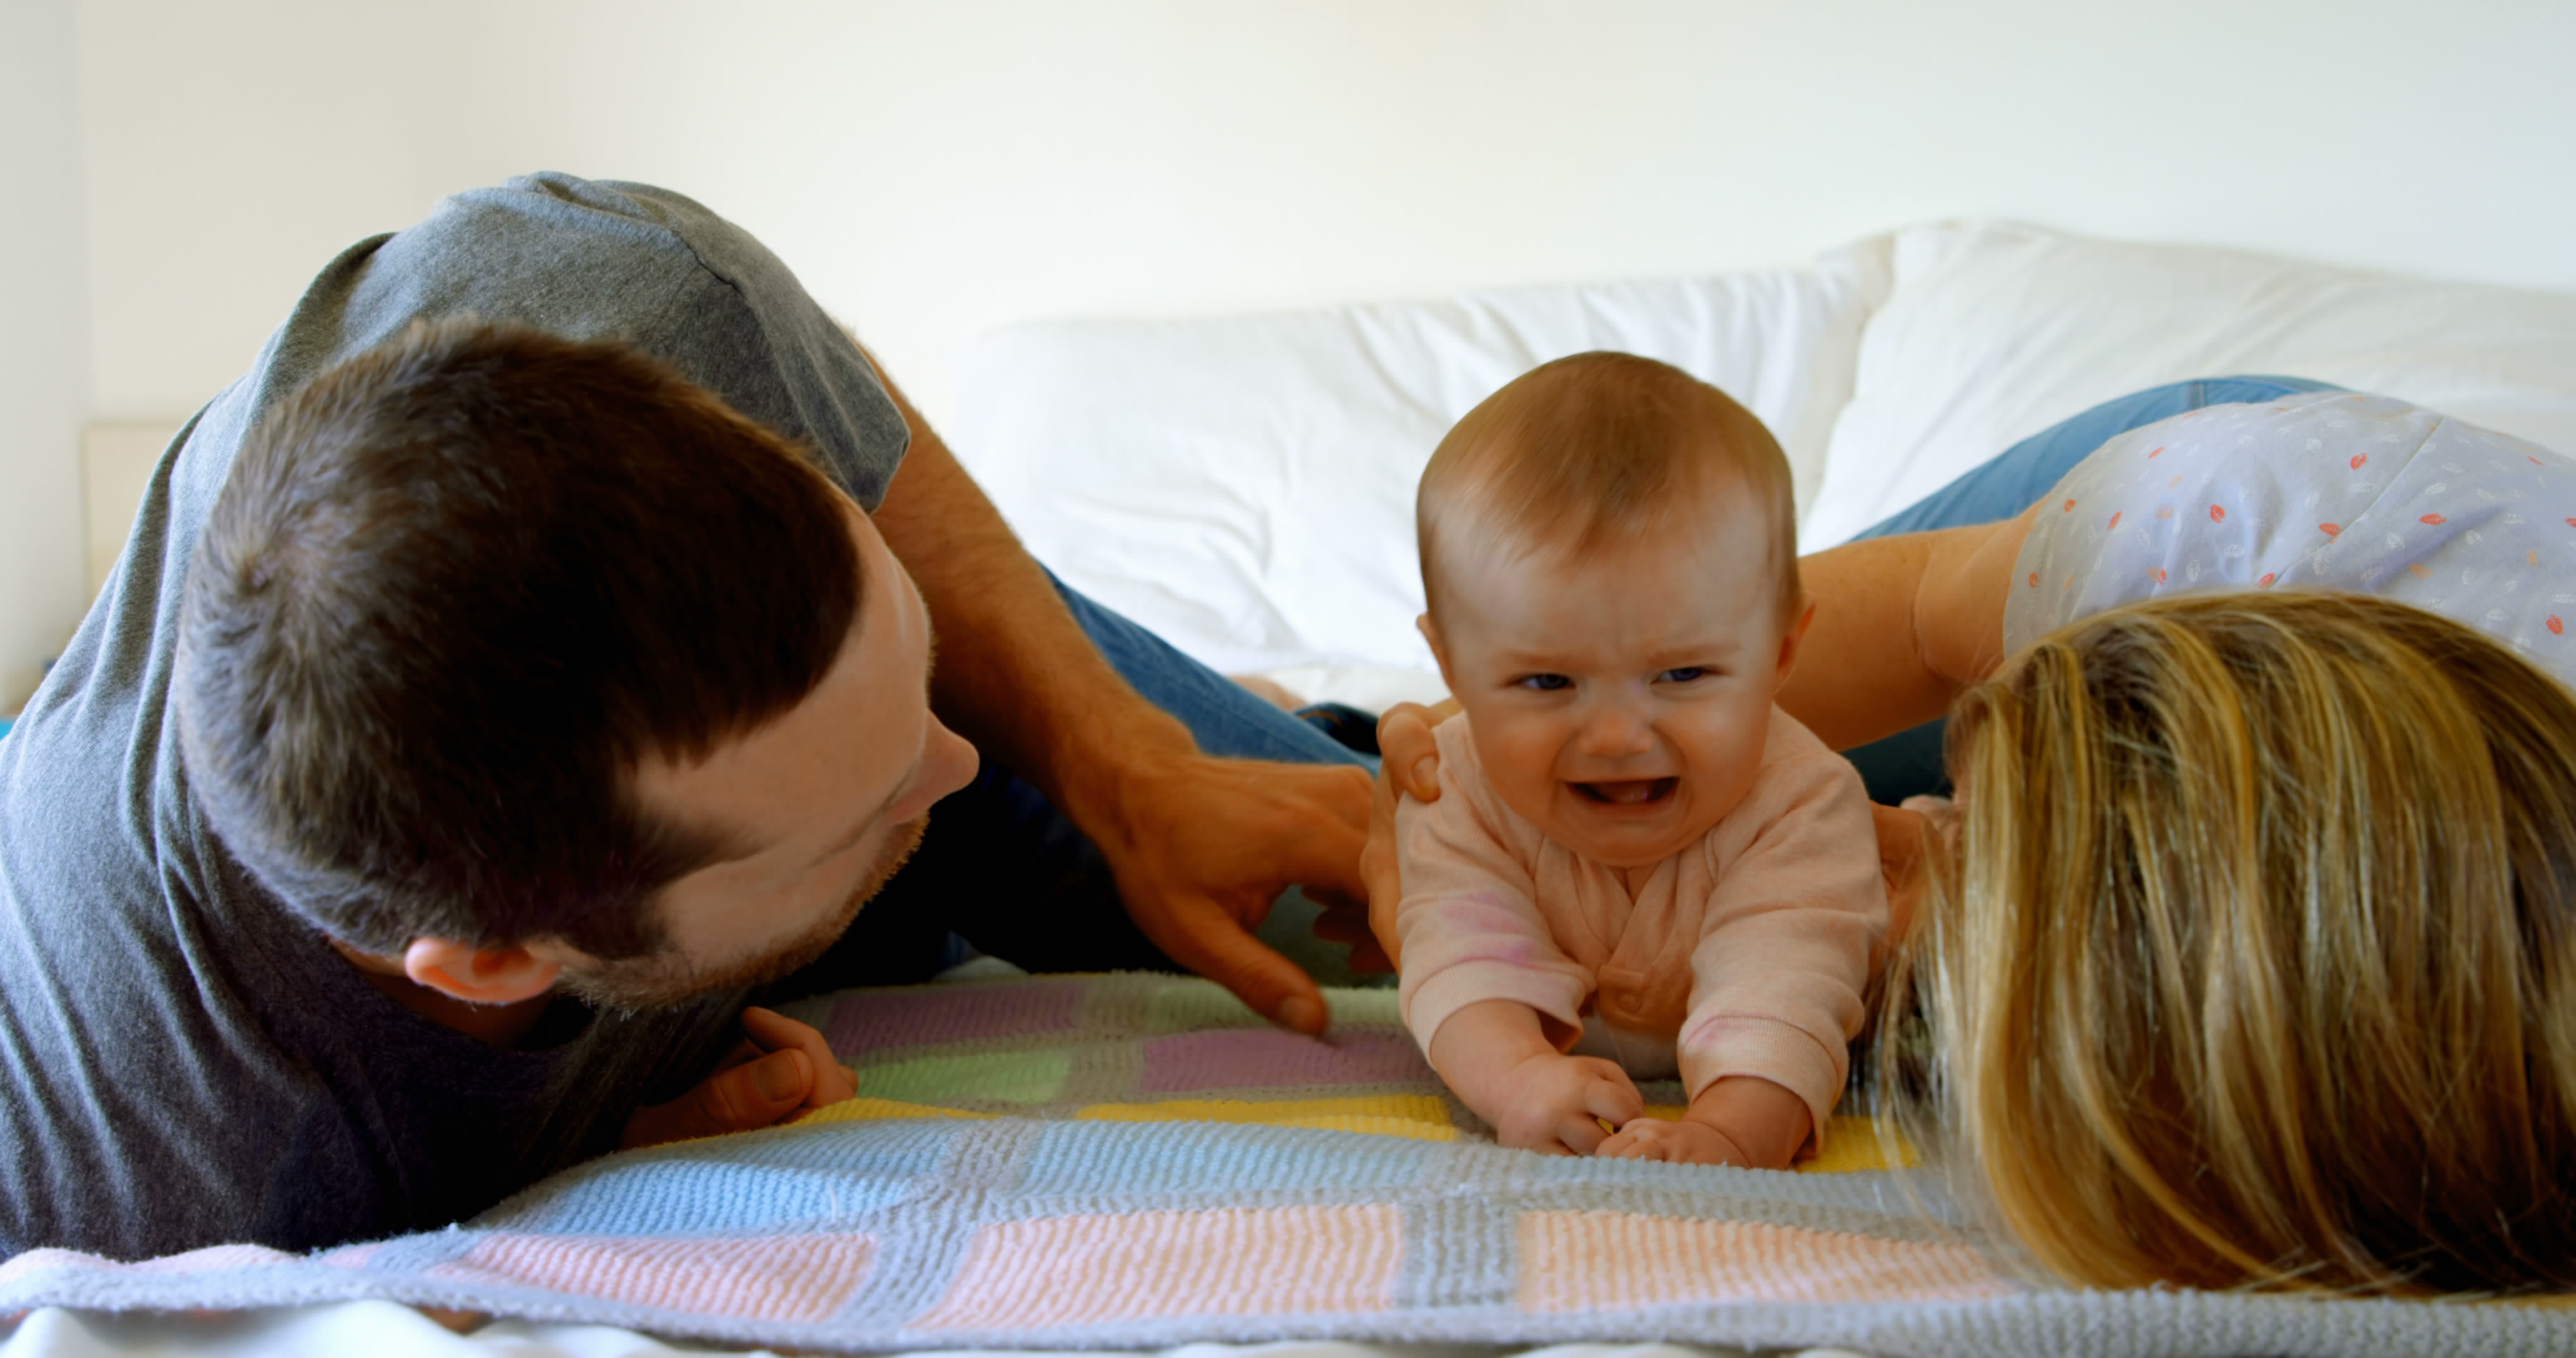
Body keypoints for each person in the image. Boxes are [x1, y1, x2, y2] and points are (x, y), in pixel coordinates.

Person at [0, 174, 1372, 1260]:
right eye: (863, 801)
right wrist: (576, 1163)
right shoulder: (171, 1193)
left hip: (766, 787)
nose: (956, 766)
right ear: (496, 964)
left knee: (1427, 874)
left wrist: (1121, 761)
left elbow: (820, 411)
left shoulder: (627, 293)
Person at [1367, 377, 2576, 1295]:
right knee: (1374, 791)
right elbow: (1842, 626)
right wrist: (1468, 781)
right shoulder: (2187, 537)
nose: (1894, 855)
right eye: (1963, 837)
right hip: (2259, 528)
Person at [1391, 353, 1883, 1169]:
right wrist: (1517, 1079)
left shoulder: (1804, 800)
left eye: (1682, 675)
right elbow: (1462, 956)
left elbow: (1789, 983)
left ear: (1781, 652)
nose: (1618, 737)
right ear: (1450, 668)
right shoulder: (1457, 790)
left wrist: (1730, 1132)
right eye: (1548, 682)